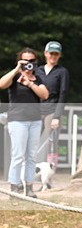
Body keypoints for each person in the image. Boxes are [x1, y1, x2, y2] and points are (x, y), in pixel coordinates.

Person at [0, 48, 50, 196]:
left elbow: (45, 95)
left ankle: (29, 188)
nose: (29, 64)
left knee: (32, 156)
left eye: (32, 61)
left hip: (35, 121)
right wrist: (17, 69)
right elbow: (1, 84)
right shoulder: (14, 77)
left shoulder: (38, 79)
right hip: (17, 121)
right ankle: (14, 188)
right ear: (20, 61)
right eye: (25, 61)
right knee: (18, 155)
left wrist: (30, 84)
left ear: (36, 62)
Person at [36, 41, 70, 166]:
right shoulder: (37, 70)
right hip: (37, 110)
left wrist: (57, 116)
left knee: (50, 142)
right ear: (45, 53)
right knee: (32, 140)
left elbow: (63, 94)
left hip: (52, 111)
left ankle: (50, 171)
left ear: (59, 55)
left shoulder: (62, 71)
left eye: (56, 54)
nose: (53, 56)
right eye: (51, 53)